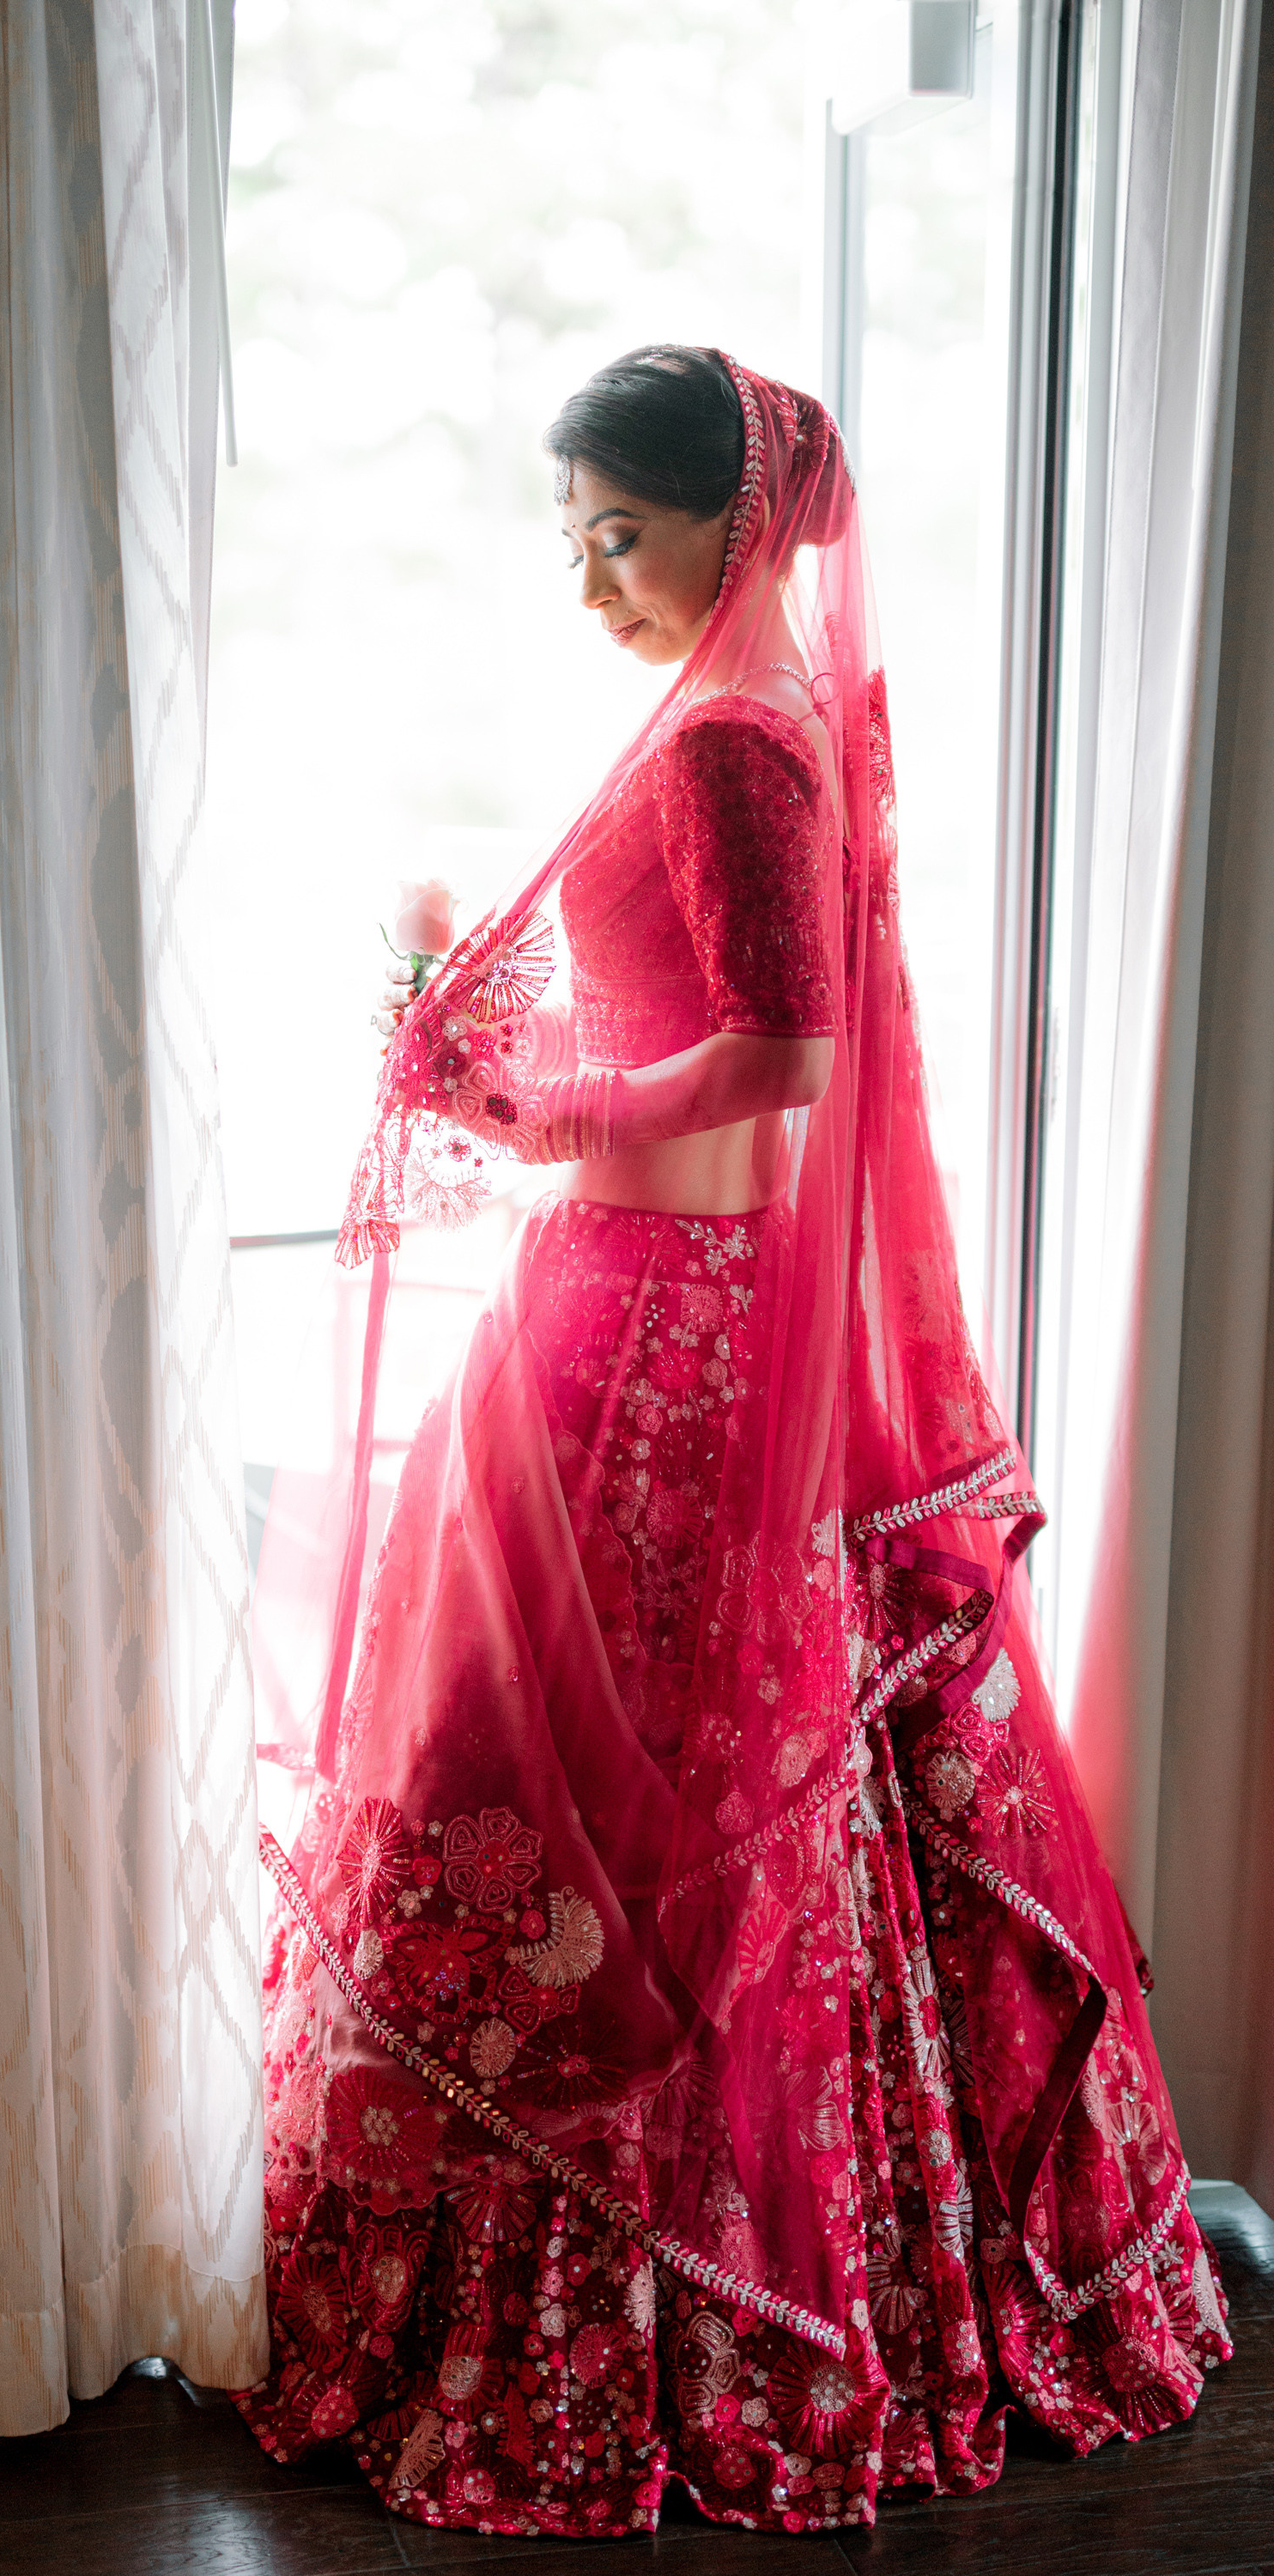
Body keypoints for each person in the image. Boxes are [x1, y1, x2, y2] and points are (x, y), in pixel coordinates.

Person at [232, 349, 1228, 2540]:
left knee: (641, 1798)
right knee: (580, 1777)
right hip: (627, 1302)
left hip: (665, 1330)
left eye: (621, 530)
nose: (589, 573)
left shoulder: (737, 741)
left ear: (734, 522)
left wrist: (538, 1102)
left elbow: (782, 1047)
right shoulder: (739, 718)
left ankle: (668, 2311)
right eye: (571, 534)